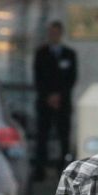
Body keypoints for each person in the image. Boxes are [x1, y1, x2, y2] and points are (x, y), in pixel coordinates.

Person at [32, 21, 78, 181]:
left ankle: (63, 168)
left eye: (56, 33)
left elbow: (72, 79)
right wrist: (48, 96)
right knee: (42, 137)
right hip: (45, 103)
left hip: (63, 103)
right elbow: (38, 78)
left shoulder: (69, 54)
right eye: (51, 33)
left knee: (63, 136)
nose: (54, 36)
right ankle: (40, 169)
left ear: (61, 34)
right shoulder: (41, 53)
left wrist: (59, 96)